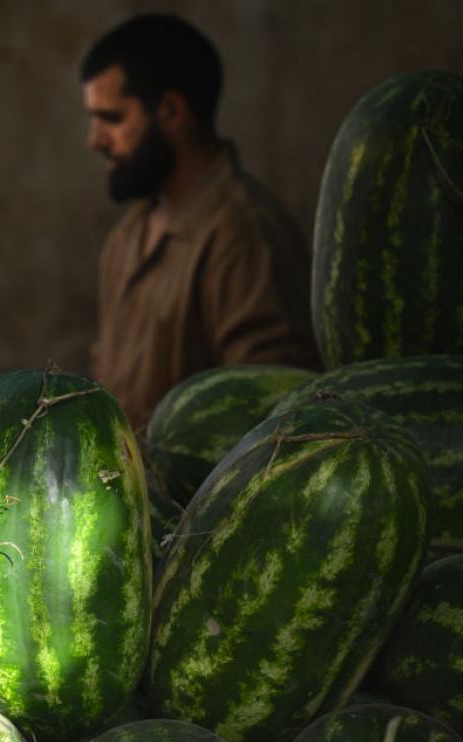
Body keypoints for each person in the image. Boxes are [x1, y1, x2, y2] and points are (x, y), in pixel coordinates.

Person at [80, 13, 320, 430]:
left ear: (171, 111)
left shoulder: (245, 235)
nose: (95, 140)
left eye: (113, 119)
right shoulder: (127, 238)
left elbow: (276, 417)